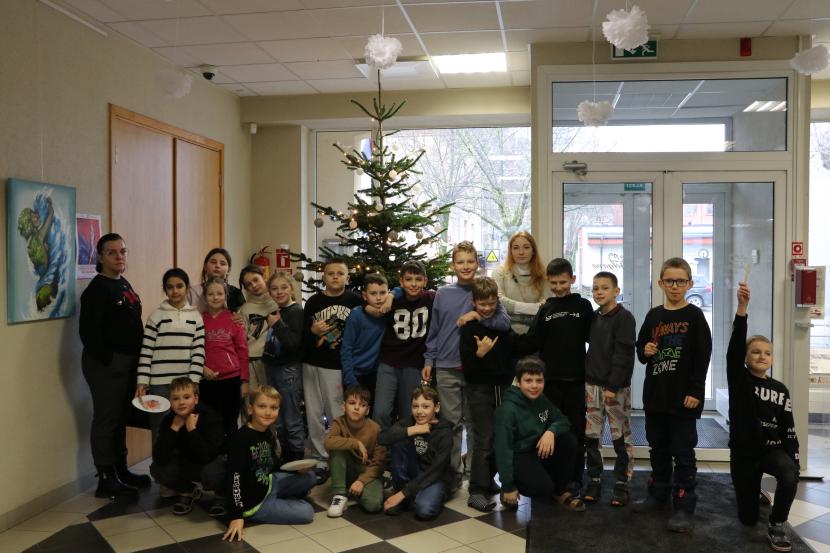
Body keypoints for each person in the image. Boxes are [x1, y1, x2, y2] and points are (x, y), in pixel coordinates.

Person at [633, 257, 712, 533]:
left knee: (683, 451)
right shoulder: (654, 315)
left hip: (684, 398)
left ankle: (684, 504)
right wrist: (645, 351)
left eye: (680, 281)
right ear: (660, 283)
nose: (675, 286)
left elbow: (703, 356)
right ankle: (658, 494)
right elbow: (641, 347)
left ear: (689, 284)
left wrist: (696, 391)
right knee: (658, 448)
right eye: (670, 281)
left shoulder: (695, 316)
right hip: (656, 395)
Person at [422, 241, 511, 489]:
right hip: (446, 366)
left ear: (477, 264)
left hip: (476, 370)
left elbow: (504, 323)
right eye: (460, 262)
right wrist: (429, 359)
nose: (465, 266)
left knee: (476, 425)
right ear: (453, 265)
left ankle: (476, 473)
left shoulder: (484, 290)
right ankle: (453, 473)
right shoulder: (443, 294)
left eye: (470, 261)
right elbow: (434, 330)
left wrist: (476, 315)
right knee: (451, 424)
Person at [729, 282, 800, 552]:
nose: (762, 356)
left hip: (772, 450)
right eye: (755, 352)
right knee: (747, 519)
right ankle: (752, 489)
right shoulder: (740, 381)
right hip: (745, 454)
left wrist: (794, 459)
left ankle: (778, 524)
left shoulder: (780, 389)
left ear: (772, 358)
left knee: (789, 474)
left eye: (767, 353)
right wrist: (742, 309)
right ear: (745, 358)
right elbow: (734, 349)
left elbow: (788, 427)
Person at [79, 233, 150, 498]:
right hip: (106, 365)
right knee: (107, 419)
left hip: (128, 363)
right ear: (100, 257)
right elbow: (89, 334)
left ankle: (121, 470)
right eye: (112, 252)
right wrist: (113, 361)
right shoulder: (97, 290)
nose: (119, 256)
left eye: (123, 251)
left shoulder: (122, 282)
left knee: (121, 418)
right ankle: (106, 478)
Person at [517, 258, 593, 493]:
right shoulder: (546, 309)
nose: (559, 287)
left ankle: (575, 479)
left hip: (577, 381)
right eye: (554, 283)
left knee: (576, 432)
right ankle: (551, 479)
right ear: (548, 281)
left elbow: (596, 338)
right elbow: (532, 341)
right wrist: (503, 341)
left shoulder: (583, 306)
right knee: (549, 430)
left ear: (572, 280)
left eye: (563, 282)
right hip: (549, 384)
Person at [223, 386, 316, 542]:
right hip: (254, 503)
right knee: (307, 513)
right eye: (262, 406)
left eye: (273, 408)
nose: (268, 412)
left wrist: (295, 469)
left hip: (268, 484)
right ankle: (281, 503)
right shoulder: (240, 439)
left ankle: (283, 500)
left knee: (310, 477)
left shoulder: (267, 432)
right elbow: (234, 479)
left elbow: (272, 463)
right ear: (250, 409)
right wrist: (236, 516)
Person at [493, 357, 584, 511]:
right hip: (518, 456)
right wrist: (508, 485)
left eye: (539, 380)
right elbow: (503, 451)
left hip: (536, 450)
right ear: (518, 382)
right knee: (542, 488)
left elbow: (563, 420)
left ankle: (559, 490)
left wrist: (551, 431)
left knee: (568, 440)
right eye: (528, 380)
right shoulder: (507, 411)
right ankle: (510, 490)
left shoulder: (541, 399)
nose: (534, 386)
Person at [303, 259, 363, 483]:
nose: (335, 276)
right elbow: (303, 335)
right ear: (324, 277)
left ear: (348, 277)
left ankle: (340, 457)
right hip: (311, 363)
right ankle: (320, 459)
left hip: (337, 366)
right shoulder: (314, 302)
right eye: (330, 273)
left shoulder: (355, 301)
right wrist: (313, 331)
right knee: (314, 413)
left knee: (336, 413)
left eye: (340, 273)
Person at [459, 276, 514, 512]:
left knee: (498, 438)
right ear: (474, 302)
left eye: (491, 303)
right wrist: (480, 353)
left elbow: (511, 352)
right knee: (484, 439)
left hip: (502, 388)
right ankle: (476, 491)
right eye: (482, 304)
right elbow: (468, 368)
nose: (487, 308)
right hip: (479, 389)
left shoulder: (503, 326)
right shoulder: (469, 328)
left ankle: (489, 479)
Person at [583, 271, 636, 506]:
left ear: (616, 291)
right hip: (592, 386)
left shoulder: (624, 318)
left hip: (615, 389)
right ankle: (594, 478)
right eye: (595, 288)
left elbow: (624, 355)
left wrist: (613, 386)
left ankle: (622, 482)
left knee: (619, 437)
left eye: (604, 288)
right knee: (591, 436)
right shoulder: (594, 317)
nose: (599, 292)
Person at [136, 268, 205, 443]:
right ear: (165, 290)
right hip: (159, 383)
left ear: (187, 288)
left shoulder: (196, 317)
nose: (175, 291)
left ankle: (182, 462)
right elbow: (146, 351)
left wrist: (194, 381)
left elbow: (198, 351)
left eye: (179, 286)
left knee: (184, 428)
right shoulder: (156, 316)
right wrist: (142, 381)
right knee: (160, 428)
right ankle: (159, 461)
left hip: (185, 383)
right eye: (170, 287)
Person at [150, 378, 226, 516]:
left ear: (195, 399)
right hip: (188, 462)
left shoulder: (209, 416)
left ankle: (222, 495)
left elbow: (207, 455)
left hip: (212, 461)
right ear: (170, 401)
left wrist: (192, 429)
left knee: (212, 472)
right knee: (158, 469)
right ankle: (188, 491)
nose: (181, 402)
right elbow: (159, 457)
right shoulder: (169, 420)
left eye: (186, 397)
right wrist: (174, 428)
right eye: (176, 398)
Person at [373, 261, 435, 430]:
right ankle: (382, 445)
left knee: (409, 412)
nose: (413, 284)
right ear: (401, 281)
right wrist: (392, 295)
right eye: (408, 279)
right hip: (388, 362)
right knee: (381, 411)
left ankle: (406, 445)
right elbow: (367, 303)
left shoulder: (431, 299)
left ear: (425, 281)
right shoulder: (391, 300)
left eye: (418, 279)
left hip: (414, 364)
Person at [379, 386, 454, 520]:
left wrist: (402, 494)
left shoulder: (445, 432)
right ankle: (407, 494)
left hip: (434, 477)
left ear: (436, 407)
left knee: (424, 510)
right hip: (414, 473)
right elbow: (382, 438)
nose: (419, 411)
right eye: (415, 406)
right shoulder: (410, 422)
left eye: (425, 406)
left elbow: (436, 470)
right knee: (398, 440)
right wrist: (412, 430)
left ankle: (413, 496)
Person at [324, 385, 386, 517]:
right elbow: (328, 442)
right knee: (336, 447)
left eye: (362, 405)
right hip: (347, 468)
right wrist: (355, 443)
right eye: (352, 403)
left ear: (367, 410)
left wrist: (361, 481)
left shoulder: (375, 429)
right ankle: (340, 494)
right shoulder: (338, 423)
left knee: (373, 505)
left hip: (366, 470)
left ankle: (359, 490)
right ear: (343, 406)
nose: (357, 408)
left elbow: (379, 462)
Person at [263, 271, 306, 461]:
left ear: (291, 288)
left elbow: (293, 343)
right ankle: (285, 457)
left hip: (288, 370)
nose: (279, 292)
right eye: (274, 288)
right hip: (272, 367)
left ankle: (296, 458)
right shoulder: (274, 310)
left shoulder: (296, 311)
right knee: (278, 418)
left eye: (283, 287)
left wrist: (277, 325)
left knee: (291, 418)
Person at [201, 277, 249, 437]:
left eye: (220, 294)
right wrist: (202, 368)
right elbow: (194, 349)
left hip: (231, 381)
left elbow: (242, 351)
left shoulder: (234, 319)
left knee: (230, 423)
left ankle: (231, 452)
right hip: (207, 380)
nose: (215, 297)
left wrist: (244, 381)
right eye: (210, 294)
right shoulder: (198, 320)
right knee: (209, 424)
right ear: (204, 297)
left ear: (226, 296)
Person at [491, 231, 550, 334]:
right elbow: (498, 302)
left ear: (533, 250)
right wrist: (535, 308)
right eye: (516, 248)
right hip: (506, 331)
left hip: (536, 332)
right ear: (510, 251)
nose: (521, 252)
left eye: (526, 247)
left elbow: (545, 308)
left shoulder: (543, 275)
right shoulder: (499, 272)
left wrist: (512, 307)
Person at [341, 273, 390, 397]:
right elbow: (346, 348)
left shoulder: (389, 313)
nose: (378, 298)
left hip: (376, 374)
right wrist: (350, 379)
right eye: (373, 293)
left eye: (383, 293)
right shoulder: (356, 315)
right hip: (355, 373)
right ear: (364, 295)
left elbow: (400, 291)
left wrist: (391, 297)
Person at [238, 265, 278, 390]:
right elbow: (241, 339)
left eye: (256, 280)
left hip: (276, 359)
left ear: (264, 277)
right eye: (248, 284)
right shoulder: (245, 309)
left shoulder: (278, 301)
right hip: (253, 359)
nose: (254, 285)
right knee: (255, 397)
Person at [188, 248, 246, 313]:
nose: (217, 266)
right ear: (205, 266)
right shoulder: (192, 292)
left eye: (222, 263)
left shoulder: (236, 294)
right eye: (213, 262)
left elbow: (243, 316)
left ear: (228, 270)